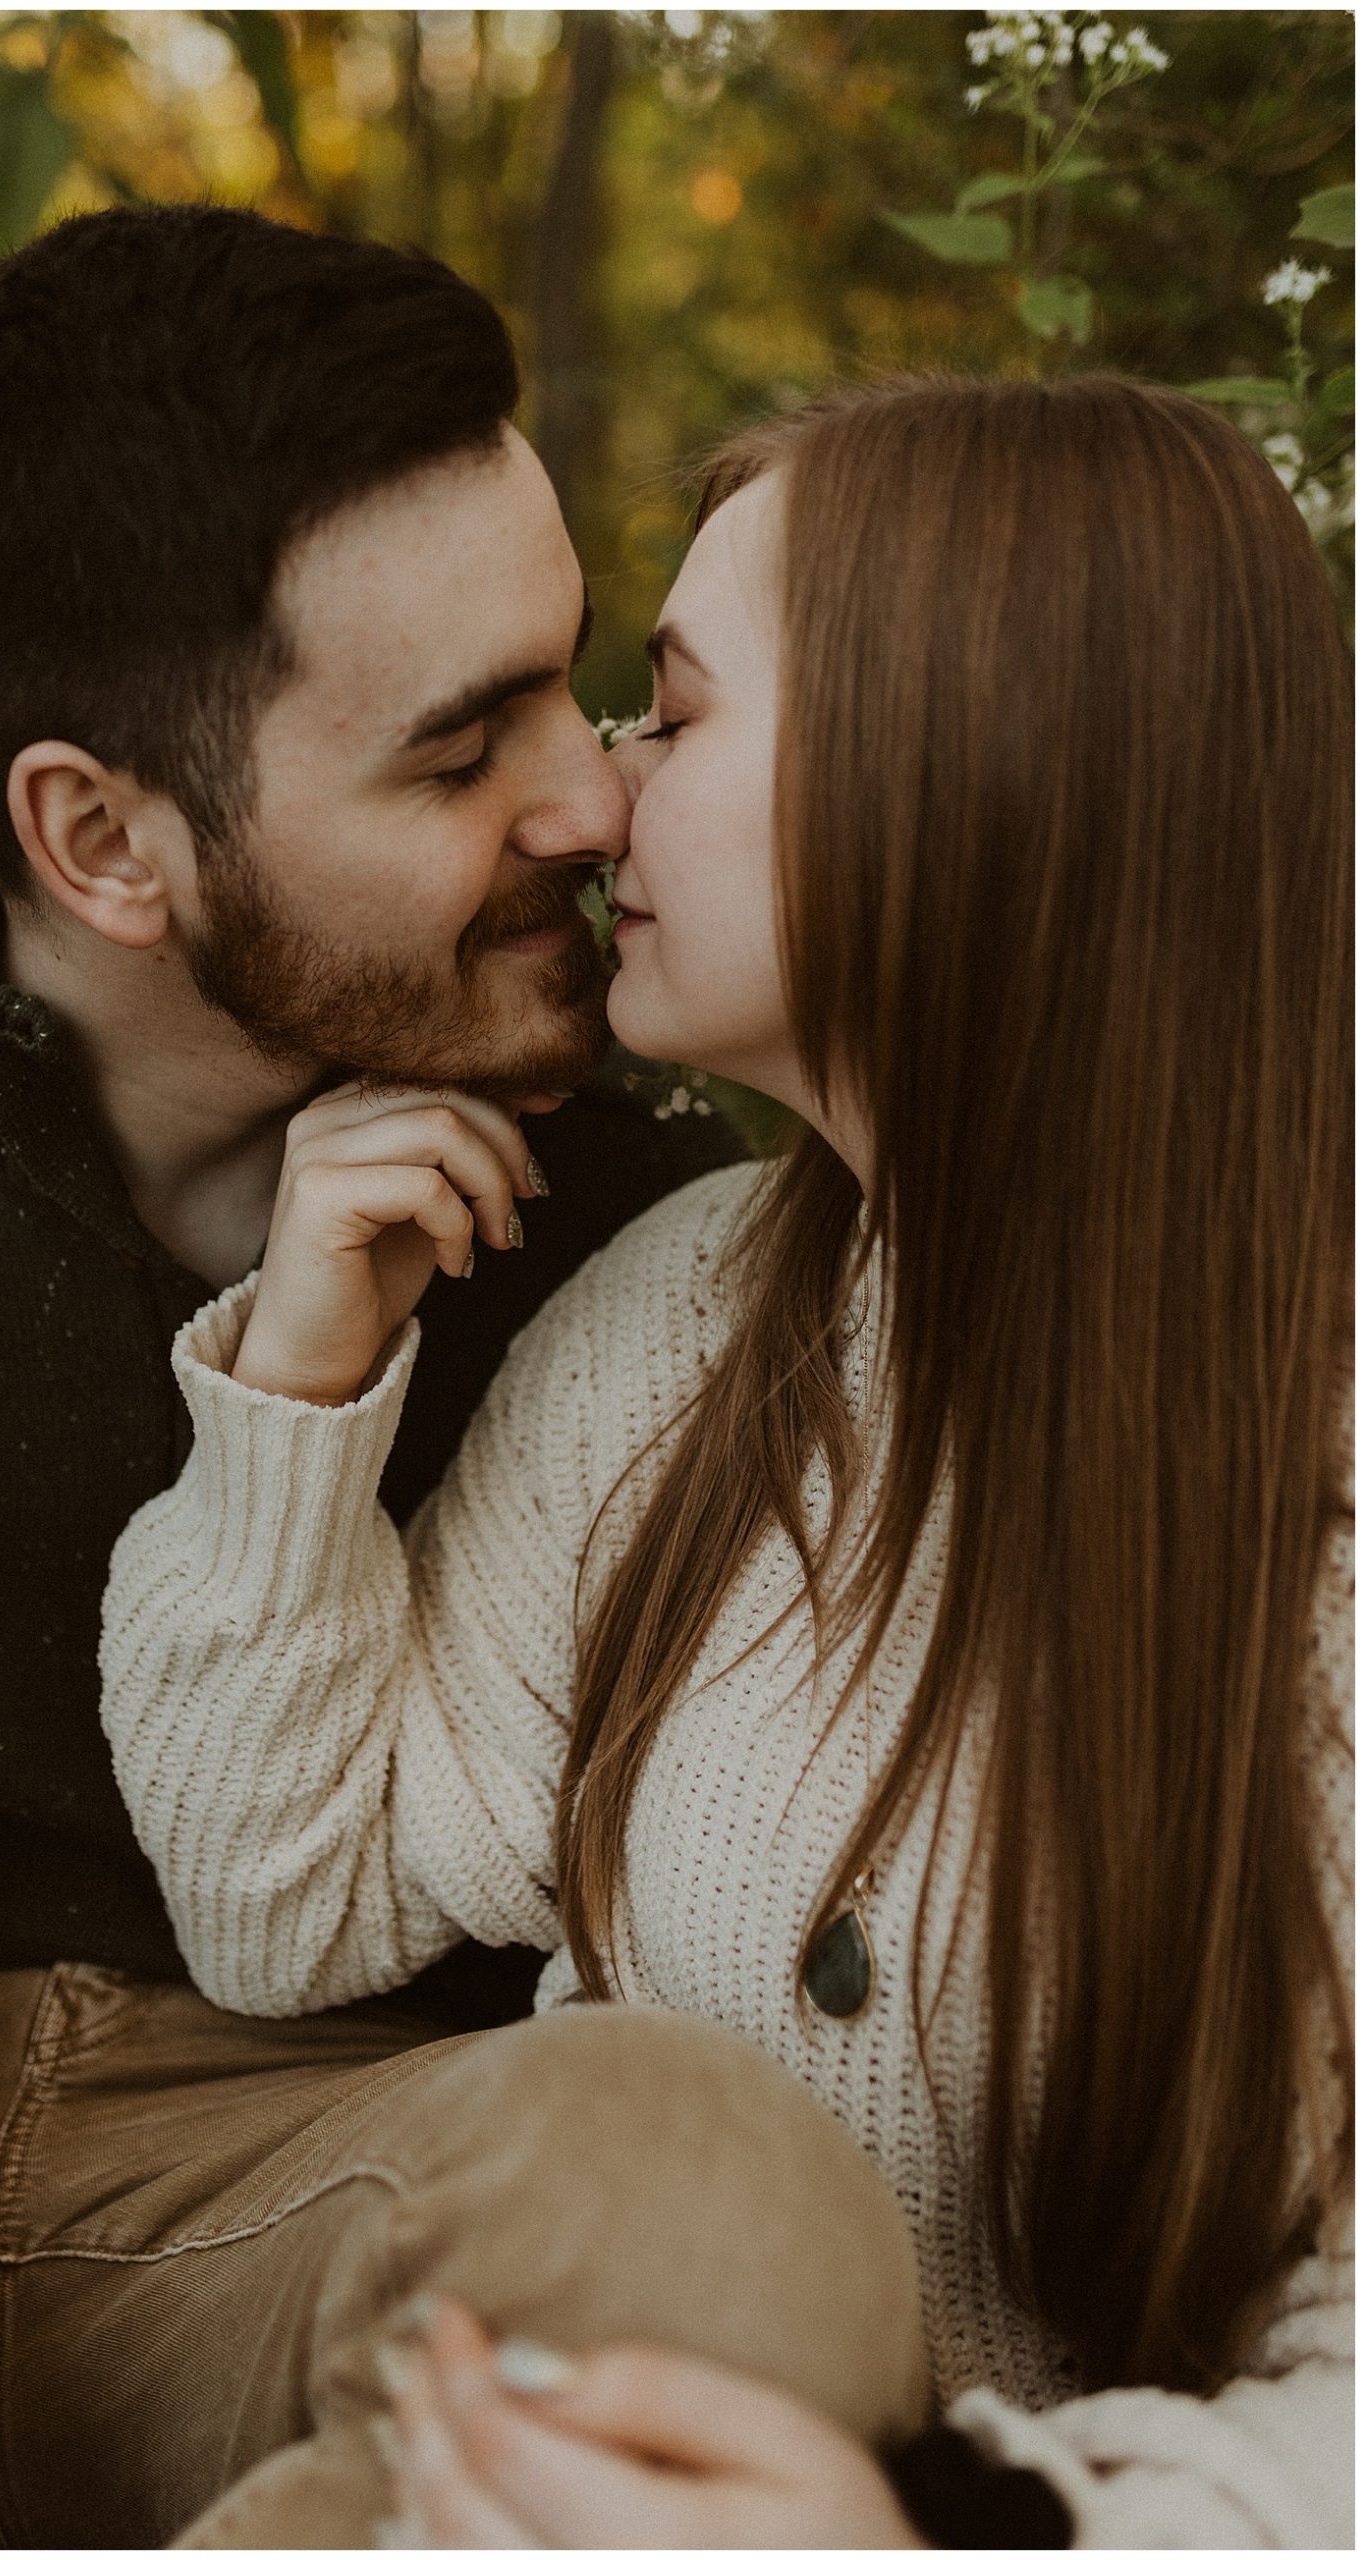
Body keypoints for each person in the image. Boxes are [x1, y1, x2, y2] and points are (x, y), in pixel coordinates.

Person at [103, 373, 1354, 2547]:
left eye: (670, 716)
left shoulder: (1307, 1465)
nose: (591, 798)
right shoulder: (694, 1319)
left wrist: (945, 2532)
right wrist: (298, 1393)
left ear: (960, 776)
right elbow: (283, 1895)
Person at [0, 204, 745, 2549]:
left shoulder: (651, 1201)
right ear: (100, 837)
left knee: (705, 2197)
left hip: (398, 2236)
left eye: (572, 679)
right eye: (459, 749)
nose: (590, 797)